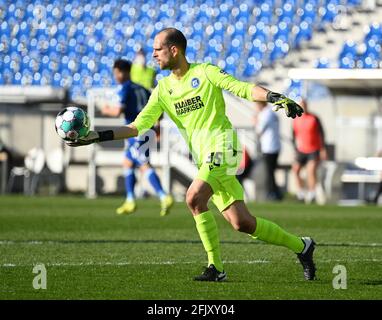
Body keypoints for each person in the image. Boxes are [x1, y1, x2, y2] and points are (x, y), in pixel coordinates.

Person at [68, 28, 316, 282]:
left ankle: (215, 267)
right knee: (242, 223)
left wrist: (274, 96)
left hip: (224, 148)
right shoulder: (163, 89)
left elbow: (242, 88)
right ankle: (302, 246)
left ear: (174, 50)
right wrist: (97, 136)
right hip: (205, 159)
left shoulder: (205, 72)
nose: (153, 55)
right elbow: (136, 127)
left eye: (158, 49)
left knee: (193, 197)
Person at [101, 59, 173, 216]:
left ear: (124, 72)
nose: (115, 76)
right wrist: (158, 128)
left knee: (143, 164)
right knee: (128, 163)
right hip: (147, 130)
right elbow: (159, 108)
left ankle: (163, 195)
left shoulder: (125, 89)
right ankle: (130, 200)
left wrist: (105, 109)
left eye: (116, 73)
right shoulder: (143, 89)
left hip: (136, 131)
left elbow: (117, 111)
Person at [292, 99, 327, 204]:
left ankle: (312, 194)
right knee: (296, 170)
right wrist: (295, 149)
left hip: (313, 149)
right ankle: (301, 192)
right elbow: (293, 136)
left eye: (304, 105)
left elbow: (321, 134)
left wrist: (322, 149)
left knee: (311, 171)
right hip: (301, 150)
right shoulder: (296, 119)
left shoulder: (314, 118)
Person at [254, 101, 282, 201]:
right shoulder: (271, 113)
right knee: (271, 171)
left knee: (269, 172)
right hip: (274, 146)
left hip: (269, 147)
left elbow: (259, 130)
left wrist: (256, 121)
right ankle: (274, 193)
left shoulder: (265, 114)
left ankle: (274, 194)